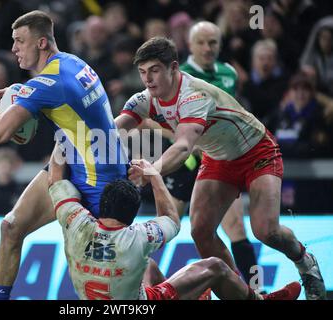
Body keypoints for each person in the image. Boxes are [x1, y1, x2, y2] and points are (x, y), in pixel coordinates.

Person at [115, 37, 326, 300]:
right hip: (218, 158)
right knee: (200, 231)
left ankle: (306, 263)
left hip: (256, 151)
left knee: (266, 231)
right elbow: (112, 129)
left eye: (154, 70)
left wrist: (152, 169)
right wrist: (77, 142)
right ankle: (248, 296)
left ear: (173, 68)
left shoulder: (193, 95)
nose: (148, 79)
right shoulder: (144, 98)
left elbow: (182, 147)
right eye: (142, 72)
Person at [0, 10, 126, 300]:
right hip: (80, 162)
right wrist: (21, 91)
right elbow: (67, 110)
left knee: (112, 281)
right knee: (11, 227)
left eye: (19, 41)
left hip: (100, 186)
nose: (13, 48)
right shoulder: (73, 63)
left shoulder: (47, 85)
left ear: (40, 43)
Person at [48, 156, 301, 300]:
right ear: (132, 216)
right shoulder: (137, 237)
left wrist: (63, 139)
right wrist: (155, 177)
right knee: (214, 266)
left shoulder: (76, 221)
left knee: (148, 266)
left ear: (101, 206)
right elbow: (171, 220)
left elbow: (55, 179)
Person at [179, 21, 258, 286]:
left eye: (213, 42)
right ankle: (140, 287)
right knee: (167, 224)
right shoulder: (180, 76)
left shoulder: (229, 73)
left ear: (220, 45)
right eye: (201, 42)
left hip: (221, 160)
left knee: (236, 226)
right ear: (190, 45)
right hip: (186, 159)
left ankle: (254, 289)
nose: (207, 48)